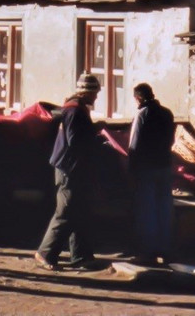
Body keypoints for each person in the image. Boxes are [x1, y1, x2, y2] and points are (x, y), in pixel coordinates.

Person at [36, 73, 109, 272]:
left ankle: (81, 255)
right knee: (66, 211)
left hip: (74, 166)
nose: (96, 97)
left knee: (80, 209)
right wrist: (97, 138)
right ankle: (45, 252)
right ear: (88, 92)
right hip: (70, 167)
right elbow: (75, 141)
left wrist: (94, 128)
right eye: (95, 93)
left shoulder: (74, 108)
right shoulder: (76, 111)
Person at [127, 83, 175, 264]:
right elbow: (171, 140)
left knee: (147, 209)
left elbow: (134, 144)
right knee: (164, 207)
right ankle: (165, 248)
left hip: (146, 167)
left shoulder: (142, 114)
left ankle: (148, 251)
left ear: (138, 98)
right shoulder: (167, 113)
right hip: (164, 165)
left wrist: (131, 169)